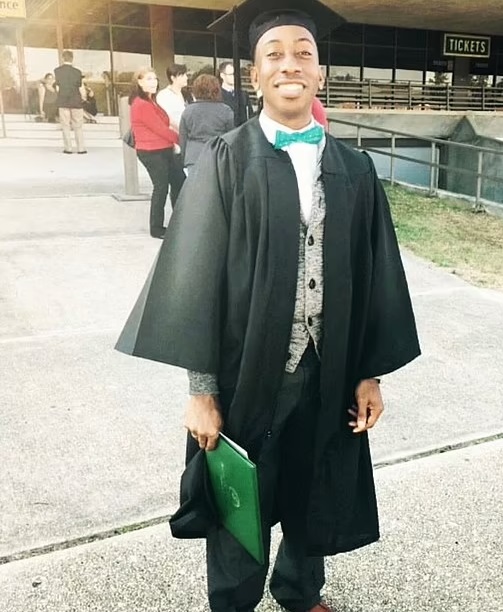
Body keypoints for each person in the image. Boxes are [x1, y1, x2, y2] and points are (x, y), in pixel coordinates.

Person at [116, 6, 420, 612]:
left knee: (316, 486)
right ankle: (234, 603)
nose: (290, 64)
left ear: (320, 74)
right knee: (240, 495)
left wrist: (370, 374)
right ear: (254, 76)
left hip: (329, 369)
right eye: (274, 54)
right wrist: (201, 391)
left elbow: (374, 276)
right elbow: (195, 280)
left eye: (303, 53)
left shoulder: (355, 168)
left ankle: (300, 591)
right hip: (247, 372)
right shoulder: (227, 159)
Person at [129, 67, 184, 239]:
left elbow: (167, 122)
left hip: (164, 149)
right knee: (161, 187)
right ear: (139, 82)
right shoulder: (141, 104)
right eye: (148, 79)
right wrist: (184, 141)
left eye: (154, 78)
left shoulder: (151, 101)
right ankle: (156, 228)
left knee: (179, 181)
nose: (153, 82)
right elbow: (161, 129)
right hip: (151, 152)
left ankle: (180, 221)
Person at [179, 74, 234, 171]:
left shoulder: (188, 111)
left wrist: (184, 159)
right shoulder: (225, 110)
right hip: (218, 156)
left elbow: (183, 138)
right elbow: (231, 137)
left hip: (194, 157)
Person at [54, 50, 86, 154]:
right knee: (78, 126)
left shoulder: (57, 71)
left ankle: (68, 148)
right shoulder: (78, 72)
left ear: (63, 58)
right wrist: (83, 98)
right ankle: (81, 148)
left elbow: (58, 87)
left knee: (65, 125)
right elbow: (80, 87)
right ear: (72, 58)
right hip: (76, 101)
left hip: (63, 101)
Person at [156, 63, 189, 132]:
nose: (186, 78)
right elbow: (167, 118)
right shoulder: (163, 95)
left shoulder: (188, 94)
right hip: (173, 134)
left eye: (186, 75)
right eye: (182, 75)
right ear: (173, 78)